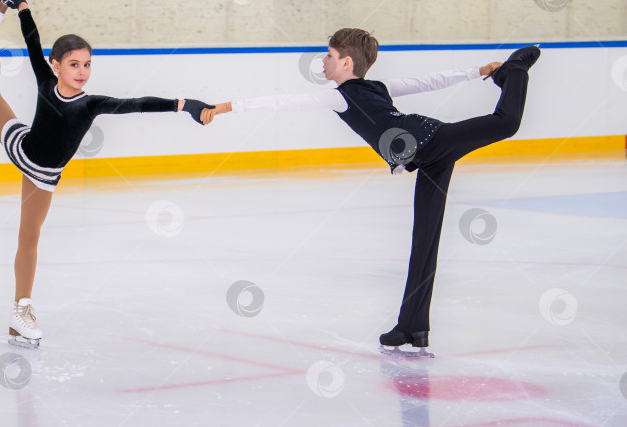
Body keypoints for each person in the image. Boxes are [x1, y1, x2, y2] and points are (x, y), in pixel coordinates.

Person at [201, 28, 539, 357]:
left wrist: (226, 106)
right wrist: (477, 70)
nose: (323, 61)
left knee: (506, 123)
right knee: (425, 240)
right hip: (424, 157)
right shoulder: (364, 90)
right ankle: (412, 325)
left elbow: (285, 101)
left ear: (346, 63)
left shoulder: (347, 92)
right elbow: (427, 81)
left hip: (431, 140)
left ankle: (515, 71)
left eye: (329, 55)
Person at [0, 0, 212, 348]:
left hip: (44, 174)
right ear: (56, 66)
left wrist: (183, 104)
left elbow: (138, 104)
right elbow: (32, 41)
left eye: (86, 64)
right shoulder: (43, 79)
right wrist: (22, 9)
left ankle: (20, 311)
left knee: (29, 236)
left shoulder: (92, 103)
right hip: (20, 146)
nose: (82, 71)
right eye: (73, 64)